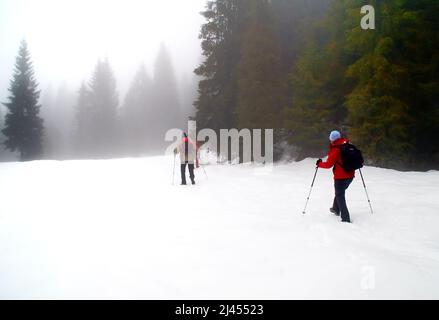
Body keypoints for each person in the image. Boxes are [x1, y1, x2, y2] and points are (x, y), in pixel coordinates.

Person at [316, 130, 355, 223]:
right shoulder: (348, 145)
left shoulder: (336, 149)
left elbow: (329, 164)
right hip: (350, 175)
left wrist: (319, 164)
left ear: (332, 139)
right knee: (339, 193)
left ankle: (345, 218)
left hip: (340, 177)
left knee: (340, 195)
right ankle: (335, 209)